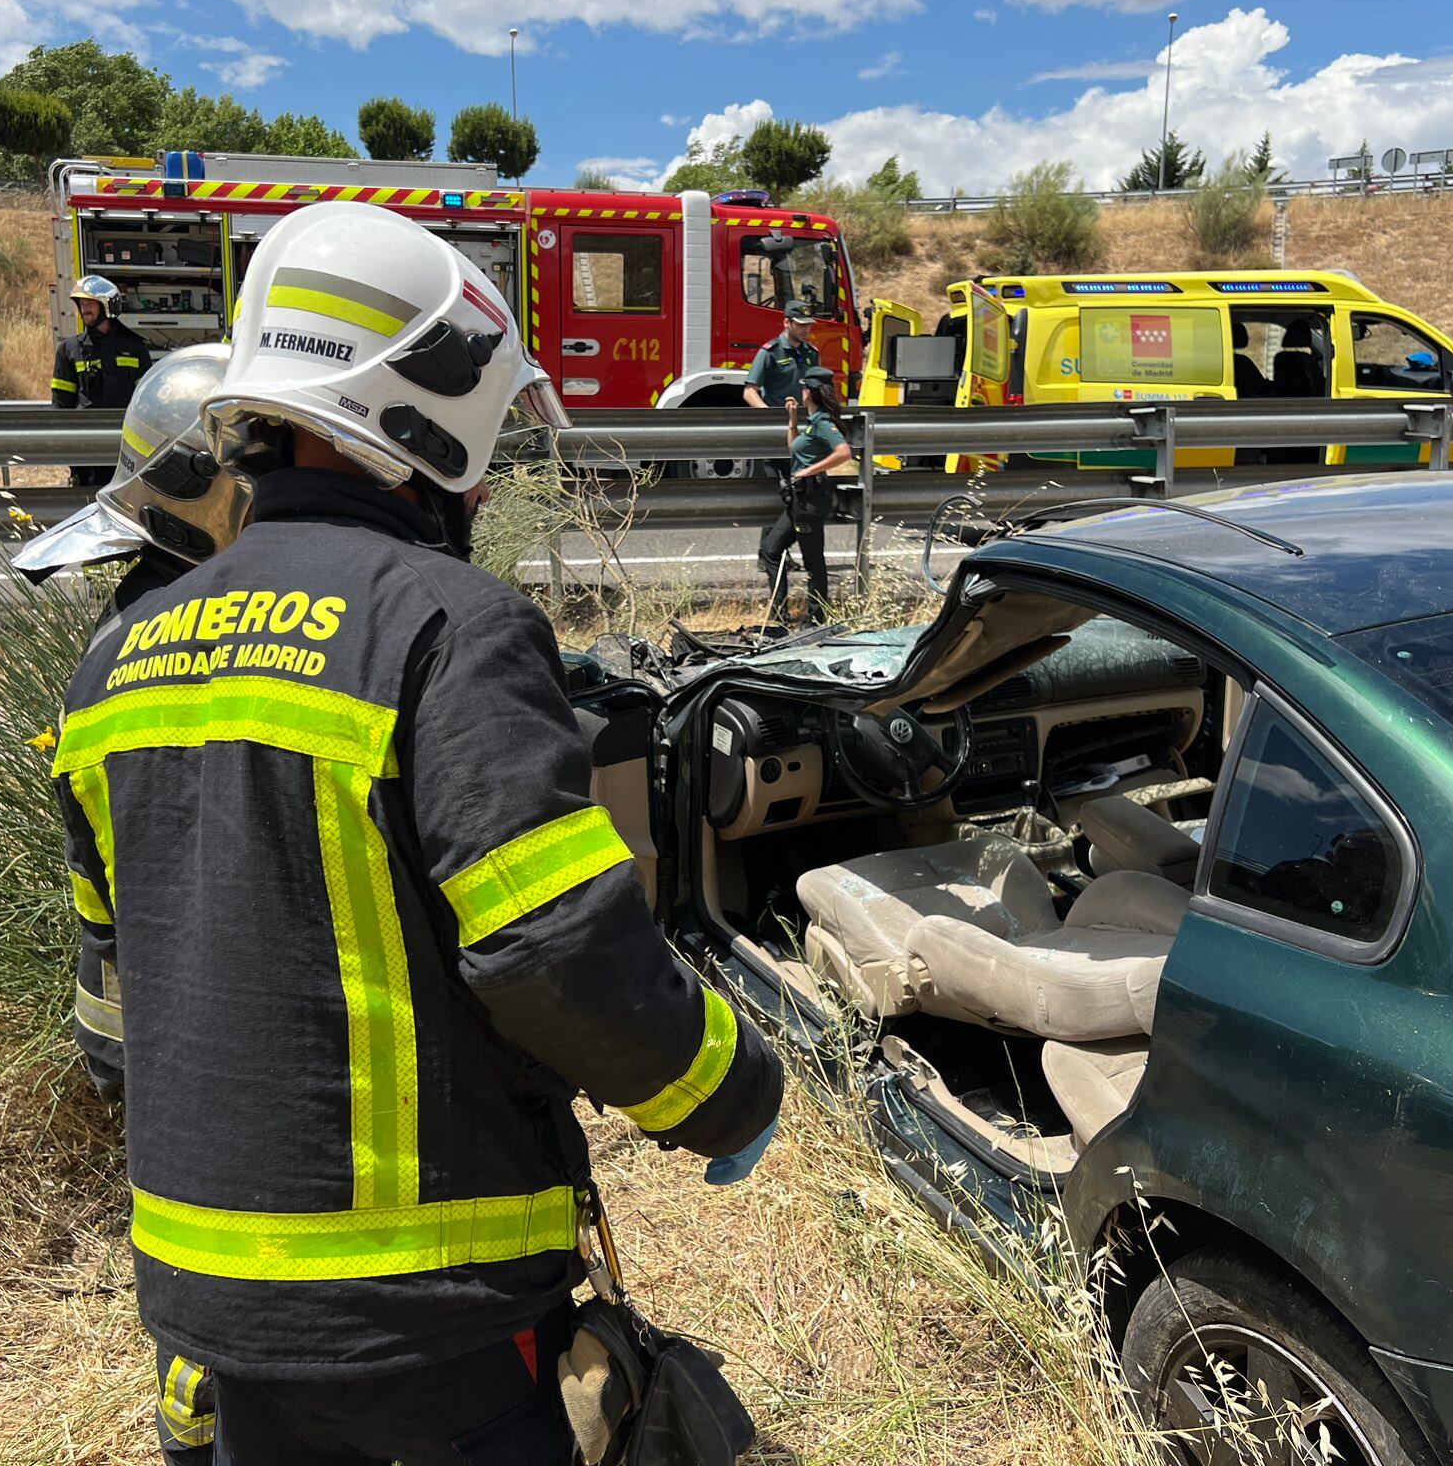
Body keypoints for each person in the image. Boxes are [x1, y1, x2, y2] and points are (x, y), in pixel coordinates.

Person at [50, 201, 783, 1466]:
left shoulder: (111, 664)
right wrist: (725, 1090)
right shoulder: (446, 622)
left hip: (201, 1309)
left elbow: (111, 1005)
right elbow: (549, 944)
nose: (487, 472)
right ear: (419, 417)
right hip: (424, 1317)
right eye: (485, 436)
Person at [20, 343, 250, 1464]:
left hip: (168, 1096)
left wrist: (121, 1069)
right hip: (268, 1066)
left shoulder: (107, 654)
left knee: (198, 1353)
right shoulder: (268, 635)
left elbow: (97, 913)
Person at [759, 371, 854, 628]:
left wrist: (809, 471)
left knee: (813, 562)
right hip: (799, 500)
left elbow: (844, 451)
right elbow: (794, 450)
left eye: (803, 389)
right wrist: (792, 421)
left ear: (808, 393)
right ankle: (779, 615)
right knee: (771, 549)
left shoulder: (823, 422)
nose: (801, 393)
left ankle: (816, 620)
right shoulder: (812, 421)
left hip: (811, 499)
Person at [54, 275, 154, 487]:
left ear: (108, 306)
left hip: (128, 449)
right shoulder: (69, 350)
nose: (84, 309)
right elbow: (61, 406)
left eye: (90, 303)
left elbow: (148, 404)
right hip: (88, 451)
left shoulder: (135, 348)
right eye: (81, 304)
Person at [740, 299, 822, 426]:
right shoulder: (770, 352)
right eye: (801, 325)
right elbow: (750, 392)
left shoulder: (812, 353)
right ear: (786, 323)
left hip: (806, 422)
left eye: (808, 325)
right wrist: (770, 416)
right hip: (779, 422)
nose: (806, 330)